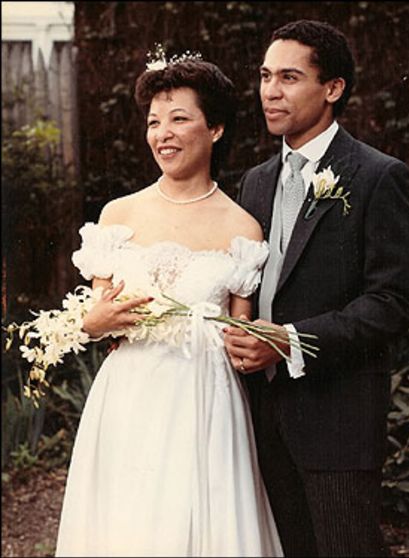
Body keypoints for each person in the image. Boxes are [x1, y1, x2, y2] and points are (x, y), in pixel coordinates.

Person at [55, 53, 283, 557]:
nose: (164, 134)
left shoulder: (242, 229)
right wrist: (93, 323)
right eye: (154, 122)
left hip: (206, 404)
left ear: (215, 128)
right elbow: (94, 317)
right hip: (128, 400)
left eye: (179, 119)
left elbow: (241, 335)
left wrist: (249, 341)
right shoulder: (118, 215)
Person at [224, 19, 409, 557]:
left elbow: (392, 303)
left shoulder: (378, 176)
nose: (270, 91)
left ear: (332, 88)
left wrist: (289, 339)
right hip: (261, 417)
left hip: (337, 419)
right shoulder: (256, 181)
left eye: (288, 77)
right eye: (265, 76)